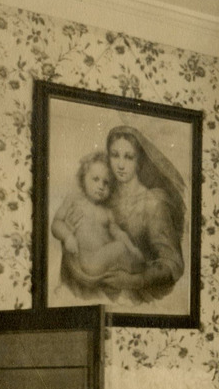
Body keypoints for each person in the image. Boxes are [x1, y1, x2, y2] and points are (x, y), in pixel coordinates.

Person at [58, 125, 187, 304]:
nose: (120, 165)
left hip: (136, 295)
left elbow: (173, 264)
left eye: (129, 157)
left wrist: (135, 281)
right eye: (114, 155)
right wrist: (70, 233)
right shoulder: (102, 193)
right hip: (92, 283)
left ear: (139, 161)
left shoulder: (153, 203)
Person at [50, 151, 143, 294]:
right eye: (95, 179)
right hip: (87, 260)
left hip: (102, 261)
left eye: (106, 182)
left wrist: (132, 247)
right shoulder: (74, 200)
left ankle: (137, 266)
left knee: (123, 247)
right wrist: (67, 236)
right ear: (83, 178)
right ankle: (139, 267)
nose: (101, 186)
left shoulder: (107, 211)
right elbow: (56, 223)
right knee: (120, 248)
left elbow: (118, 233)